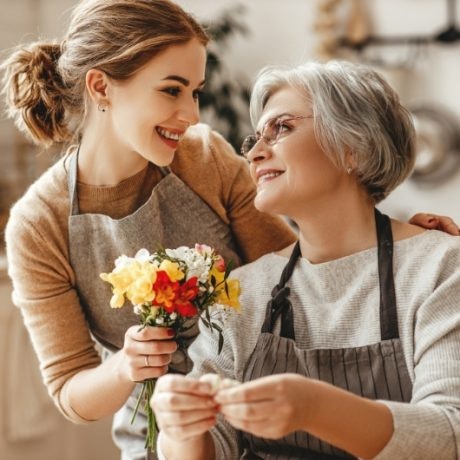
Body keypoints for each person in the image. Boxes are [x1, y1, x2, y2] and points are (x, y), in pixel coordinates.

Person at [1, 1, 297, 459]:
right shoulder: (39, 224)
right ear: (101, 86)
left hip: (268, 407)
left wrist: (398, 239)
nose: (192, 115)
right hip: (158, 436)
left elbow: (298, 276)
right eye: (172, 90)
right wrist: (125, 366)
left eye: (195, 93)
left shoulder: (203, 158)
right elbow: (70, 390)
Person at [151, 60, 460, 460]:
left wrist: (315, 408)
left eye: (281, 128)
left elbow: (450, 436)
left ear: (354, 146)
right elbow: (212, 450)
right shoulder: (244, 290)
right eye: (254, 139)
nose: (256, 153)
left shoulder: (439, 267)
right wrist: (179, 429)